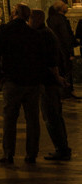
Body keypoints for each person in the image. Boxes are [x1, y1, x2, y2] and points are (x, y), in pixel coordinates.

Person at [0, 3, 56, 166]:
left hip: (12, 81)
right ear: (27, 16)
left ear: (15, 13)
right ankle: (31, 154)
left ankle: (8, 154)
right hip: (32, 83)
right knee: (33, 119)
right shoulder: (34, 34)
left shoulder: (4, 30)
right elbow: (43, 59)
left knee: (10, 119)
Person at [31, 10, 72, 162]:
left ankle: (62, 149)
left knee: (51, 116)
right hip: (51, 81)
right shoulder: (47, 33)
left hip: (48, 83)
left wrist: (57, 77)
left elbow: (51, 60)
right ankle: (62, 148)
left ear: (36, 20)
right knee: (54, 116)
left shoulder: (43, 35)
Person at [48, 1, 76, 98]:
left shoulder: (51, 19)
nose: (67, 6)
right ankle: (66, 91)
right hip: (63, 50)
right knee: (66, 70)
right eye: (64, 5)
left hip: (58, 49)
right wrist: (70, 52)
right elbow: (65, 36)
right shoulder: (60, 20)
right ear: (60, 8)